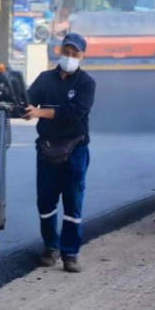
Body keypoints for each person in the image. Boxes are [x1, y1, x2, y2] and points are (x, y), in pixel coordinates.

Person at [23, 32, 96, 273]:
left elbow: (73, 112)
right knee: (46, 201)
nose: (70, 57)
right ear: (60, 51)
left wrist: (40, 112)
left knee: (73, 202)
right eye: (67, 52)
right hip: (46, 147)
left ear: (82, 56)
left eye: (75, 54)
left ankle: (70, 254)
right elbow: (28, 101)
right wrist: (18, 104)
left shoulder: (86, 84)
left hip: (75, 148)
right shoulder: (45, 79)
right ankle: (50, 247)